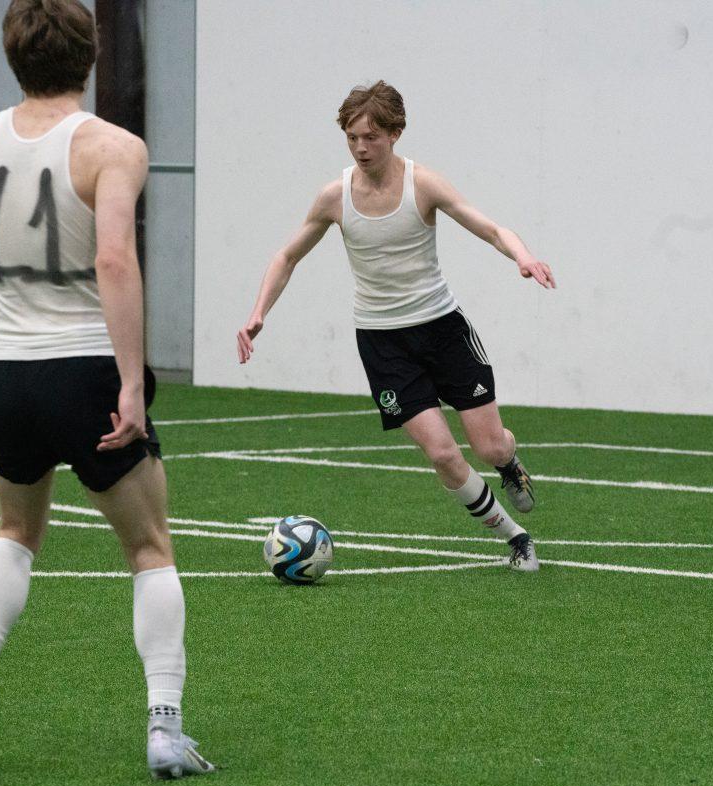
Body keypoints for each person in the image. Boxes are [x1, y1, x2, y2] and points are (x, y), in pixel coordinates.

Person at [0, 0, 212, 779]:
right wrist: (131, 384)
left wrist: (21, 272)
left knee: (15, 533)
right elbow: (114, 260)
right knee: (149, 547)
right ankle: (164, 727)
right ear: (89, 54)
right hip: (84, 369)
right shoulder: (114, 146)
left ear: (14, 57)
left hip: (9, 373)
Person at [237, 81, 555, 572]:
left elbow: (489, 227)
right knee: (445, 455)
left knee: (488, 445)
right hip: (383, 343)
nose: (361, 148)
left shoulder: (422, 184)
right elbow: (287, 254)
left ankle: (510, 464)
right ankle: (516, 539)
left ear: (395, 133)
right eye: (351, 138)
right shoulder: (333, 197)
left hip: (443, 329)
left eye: (371, 137)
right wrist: (259, 312)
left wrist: (523, 256)